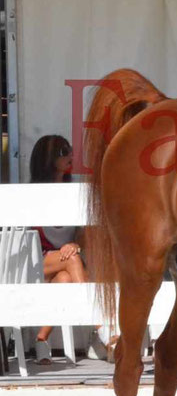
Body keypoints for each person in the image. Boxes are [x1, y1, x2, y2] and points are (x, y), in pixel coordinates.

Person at [29, 135, 107, 364]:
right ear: (48, 159)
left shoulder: (74, 191)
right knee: (73, 261)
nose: (70, 156)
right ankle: (100, 326)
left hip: (64, 263)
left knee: (65, 278)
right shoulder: (33, 193)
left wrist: (75, 244)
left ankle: (41, 339)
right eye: (64, 152)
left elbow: (81, 232)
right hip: (37, 262)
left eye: (70, 151)